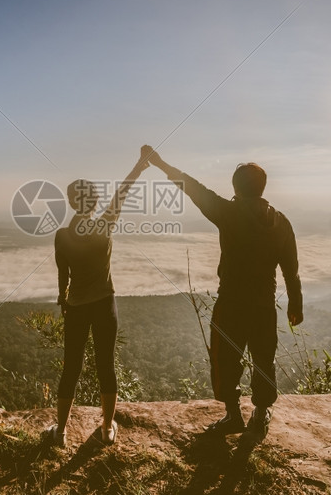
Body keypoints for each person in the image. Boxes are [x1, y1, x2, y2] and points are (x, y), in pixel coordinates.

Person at [142, 145, 303, 437]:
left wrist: (160, 163)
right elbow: (291, 270)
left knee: (225, 360)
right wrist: (296, 304)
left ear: (236, 189)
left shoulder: (229, 213)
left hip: (231, 304)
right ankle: (261, 413)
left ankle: (233, 415)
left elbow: (192, 188)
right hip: (264, 306)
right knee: (264, 359)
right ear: (262, 187)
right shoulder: (281, 222)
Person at [46, 147, 150, 447]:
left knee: (71, 368)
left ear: (70, 202)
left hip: (76, 308)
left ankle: (61, 432)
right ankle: (106, 430)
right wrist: (139, 166)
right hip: (105, 305)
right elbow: (123, 192)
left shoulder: (62, 235)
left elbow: (62, 275)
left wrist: (63, 298)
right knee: (106, 365)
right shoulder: (104, 224)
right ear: (93, 202)